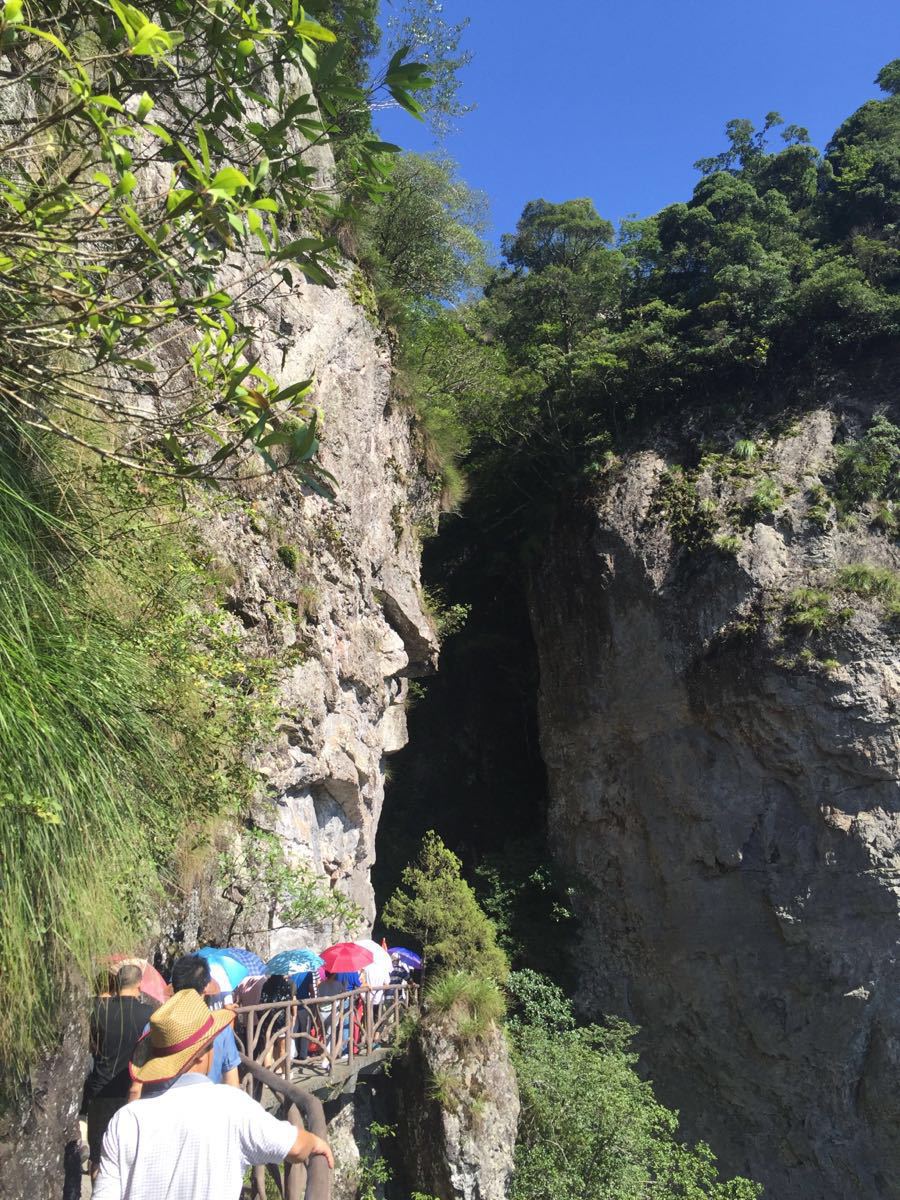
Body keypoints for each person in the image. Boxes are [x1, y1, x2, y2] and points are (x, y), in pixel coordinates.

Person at [92, 989, 332, 1200]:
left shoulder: (126, 1119)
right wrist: (315, 1142)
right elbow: (294, 1147)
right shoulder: (230, 1105)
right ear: (202, 1054)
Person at [83, 964, 155, 1180]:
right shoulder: (149, 1015)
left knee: (98, 1156)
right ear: (139, 985)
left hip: (101, 1090)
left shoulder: (98, 1009)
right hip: (134, 1092)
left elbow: (91, 1046)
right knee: (130, 1155)